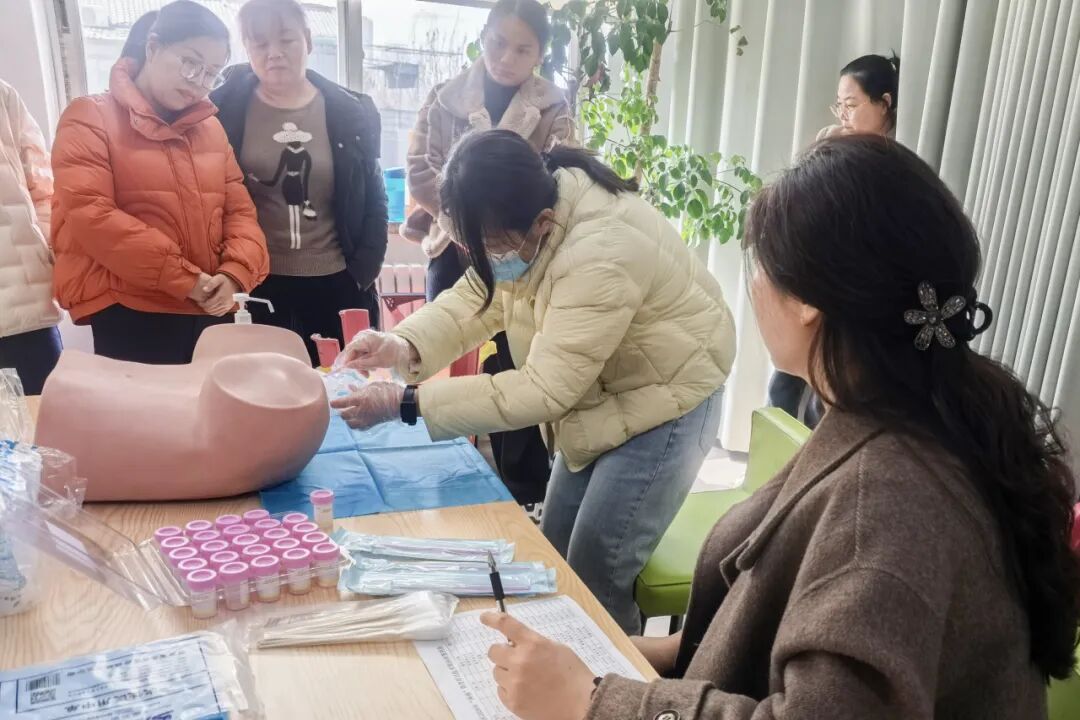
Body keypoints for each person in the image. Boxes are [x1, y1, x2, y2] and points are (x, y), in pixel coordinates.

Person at [474, 135, 1080, 720]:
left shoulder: (889, 502)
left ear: (809, 301)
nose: (754, 286)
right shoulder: (900, 416)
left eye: (760, 265)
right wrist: (637, 658)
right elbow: (788, 631)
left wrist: (594, 703)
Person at [333, 130, 735, 634]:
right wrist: (402, 344)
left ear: (543, 223)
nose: (485, 259)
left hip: (668, 398)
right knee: (556, 554)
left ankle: (618, 679)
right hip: (603, 389)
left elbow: (544, 389)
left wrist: (407, 402)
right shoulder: (529, 217)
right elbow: (480, 293)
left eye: (488, 248)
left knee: (597, 569)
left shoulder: (600, 250)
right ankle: (570, 663)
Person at [403, 0, 575, 513]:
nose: (506, 58)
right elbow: (419, 169)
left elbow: (559, 174)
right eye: (499, 43)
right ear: (483, 37)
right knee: (443, 356)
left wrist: (498, 231)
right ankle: (444, 481)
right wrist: (467, 228)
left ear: (540, 54)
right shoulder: (444, 96)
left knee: (515, 361)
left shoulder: (553, 106)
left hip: (520, 253)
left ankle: (525, 492)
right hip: (451, 249)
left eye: (523, 49)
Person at [51, 1, 268, 365]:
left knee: (214, 402)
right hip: (130, 308)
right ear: (152, 47)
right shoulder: (89, 116)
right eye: (190, 63)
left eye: (211, 73)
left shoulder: (211, 129)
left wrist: (234, 275)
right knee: (144, 404)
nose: (198, 82)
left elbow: (240, 213)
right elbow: (93, 215)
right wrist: (187, 280)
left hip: (210, 306)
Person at [212, 0, 387, 366]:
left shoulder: (351, 110)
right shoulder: (222, 109)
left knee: (341, 386)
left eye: (286, 40)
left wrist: (362, 273)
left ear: (307, 40)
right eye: (260, 43)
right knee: (264, 386)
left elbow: (374, 198)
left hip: (337, 281)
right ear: (247, 48)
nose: (274, 53)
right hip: (258, 282)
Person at [769, 52, 901, 424]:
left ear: (884, 103)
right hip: (816, 275)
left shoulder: (895, 163)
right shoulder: (834, 142)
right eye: (839, 106)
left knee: (825, 397)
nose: (843, 115)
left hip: (852, 290)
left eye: (852, 105)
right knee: (783, 382)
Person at [0, 79, 62, 394]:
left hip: (22, 304)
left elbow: (44, 185)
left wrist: (46, 246)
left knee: (43, 413)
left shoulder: (3, 95)